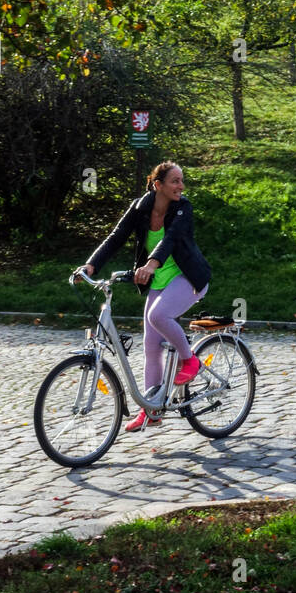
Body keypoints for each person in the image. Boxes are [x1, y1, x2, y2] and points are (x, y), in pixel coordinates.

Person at [80, 161, 211, 431]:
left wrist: (151, 264)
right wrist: (92, 264)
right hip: (160, 283)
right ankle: (152, 410)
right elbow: (116, 236)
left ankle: (190, 360)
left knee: (158, 315)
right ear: (157, 185)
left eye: (182, 181)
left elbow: (171, 239)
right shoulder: (140, 208)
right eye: (175, 181)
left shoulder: (183, 208)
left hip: (189, 278)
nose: (181, 186)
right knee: (151, 347)